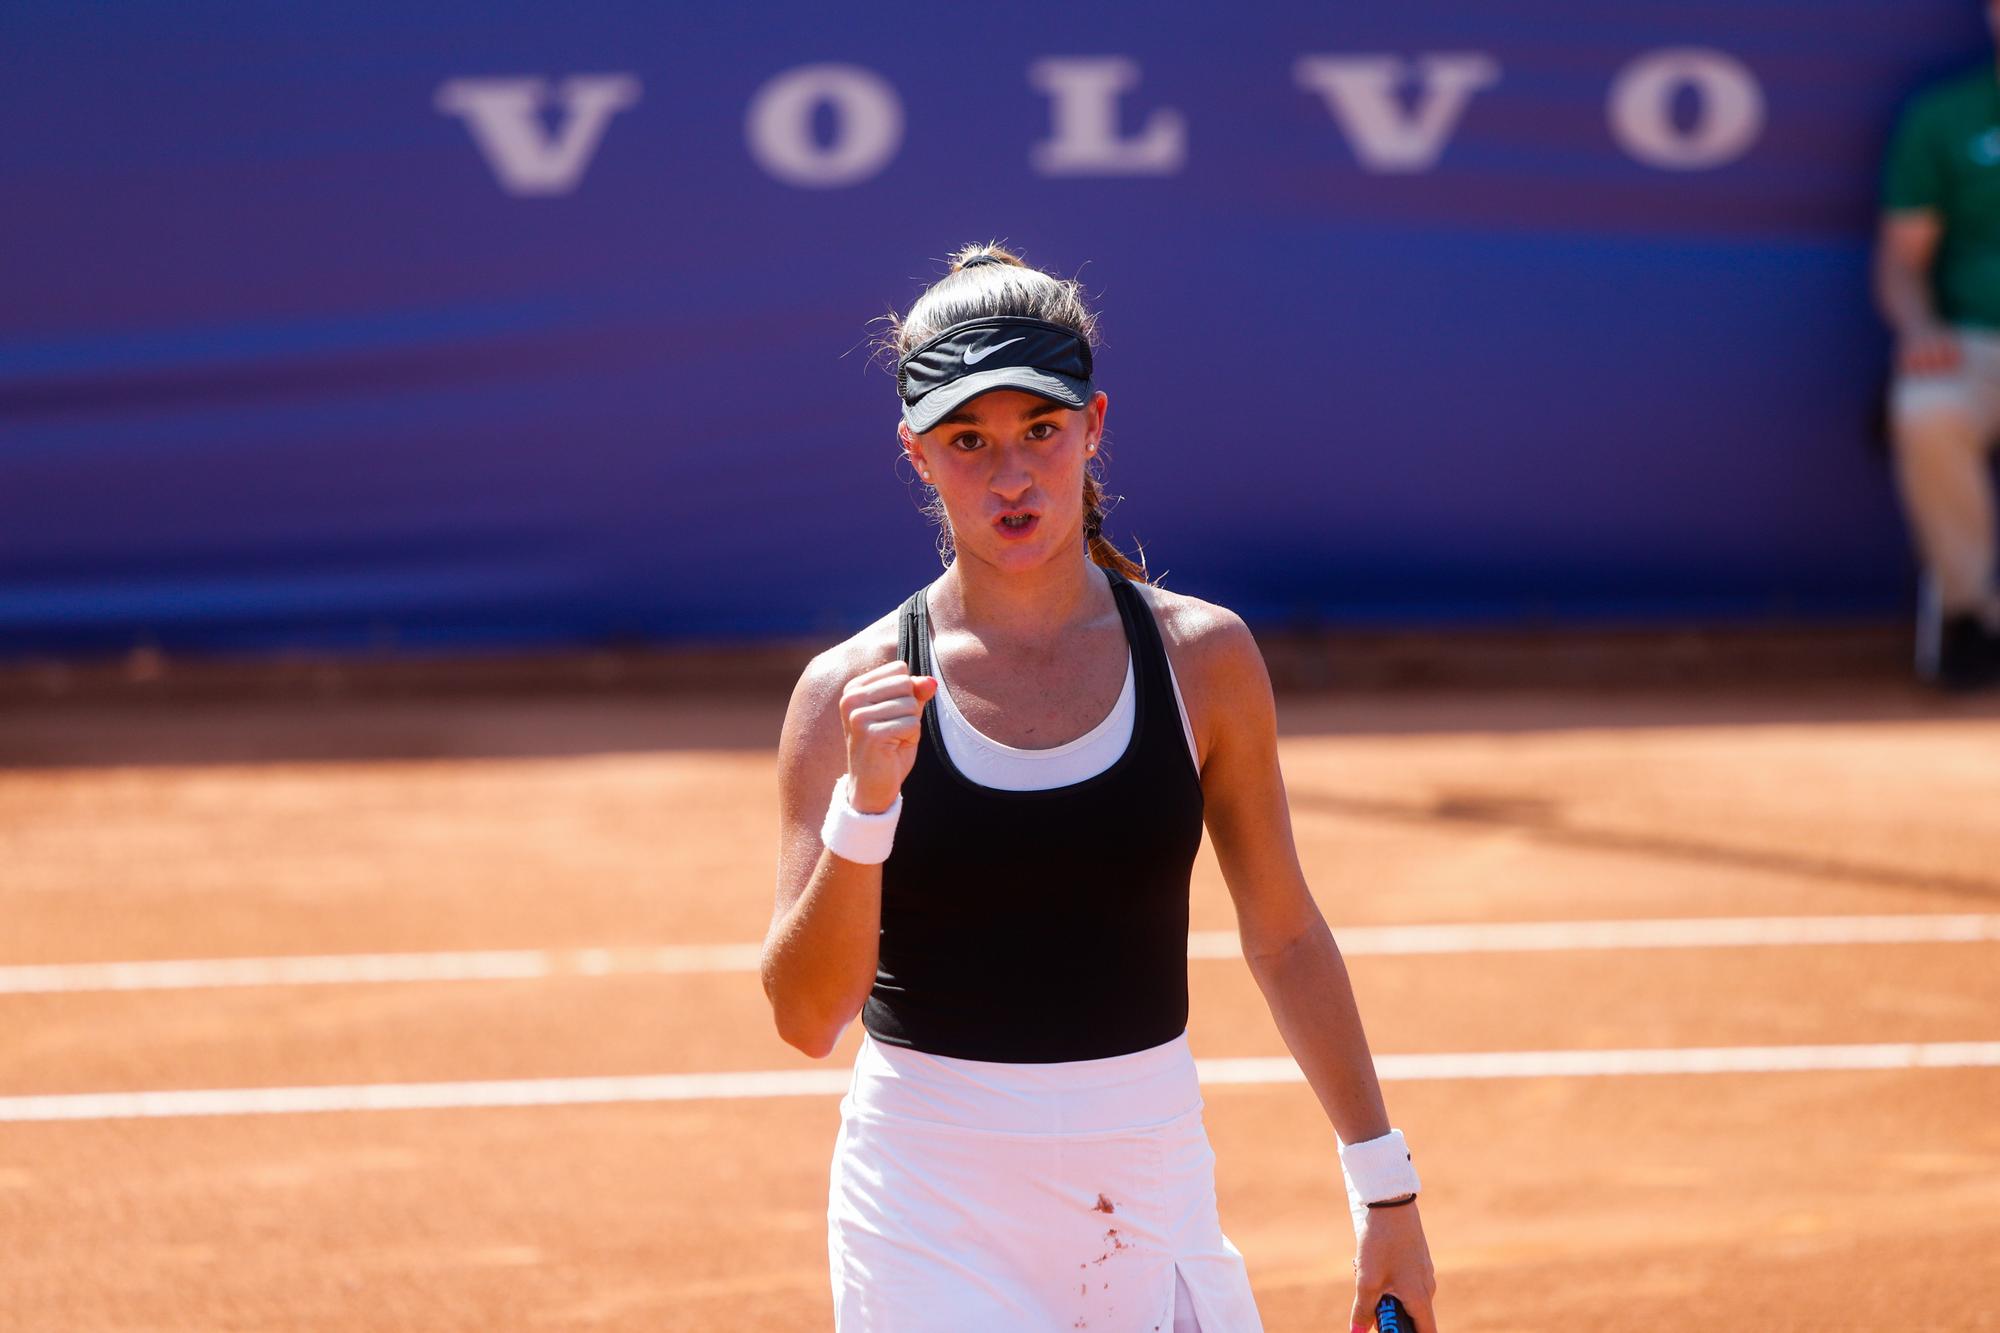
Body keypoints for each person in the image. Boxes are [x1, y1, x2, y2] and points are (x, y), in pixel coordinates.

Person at [760, 242, 1440, 1332]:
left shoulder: (1204, 659)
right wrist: (866, 809)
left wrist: (1384, 1187)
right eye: (966, 442)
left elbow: (1284, 934)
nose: (1012, 475)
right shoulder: (845, 693)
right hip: (928, 1203)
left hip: (1148, 1178)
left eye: (1040, 429)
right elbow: (806, 1016)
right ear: (915, 456)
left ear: (1094, 424)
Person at [1876, 9, 2000, 689]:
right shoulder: (1946, 116)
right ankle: (1971, 616)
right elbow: (1902, 261)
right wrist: (1920, 329)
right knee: (1929, 409)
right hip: (1974, 345)